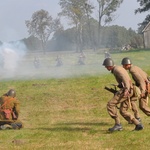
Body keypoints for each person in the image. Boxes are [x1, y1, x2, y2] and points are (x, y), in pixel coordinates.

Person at [102, 58, 143, 132]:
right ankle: (138, 124)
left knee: (110, 105)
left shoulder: (116, 70)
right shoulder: (118, 68)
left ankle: (118, 124)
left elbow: (125, 79)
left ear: (109, 66)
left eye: (106, 66)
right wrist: (120, 85)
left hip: (126, 91)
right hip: (130, 89)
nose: (105, 68)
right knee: (122, 111)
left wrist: (126, 89)